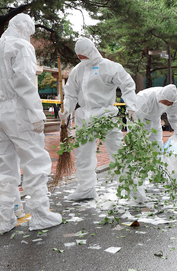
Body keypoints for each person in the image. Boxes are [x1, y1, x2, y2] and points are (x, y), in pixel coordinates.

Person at [0, 13, 62, 234]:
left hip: (1, 111)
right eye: (30, 31)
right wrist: (36, 113)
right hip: (18, 110)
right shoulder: (21, 46)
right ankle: (40, 215)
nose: (30, 35)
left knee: (4, 165)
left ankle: (4, 218)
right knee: (34, 160)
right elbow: (23, 81)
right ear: (24, 27)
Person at [59, 37, 137, 201]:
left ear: (92, 51)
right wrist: (66, 110)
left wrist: (131, 106)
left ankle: (132, 190)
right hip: (84, 118)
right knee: (82, 155)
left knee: (118, 152)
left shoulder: (109, 67)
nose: (81, 59)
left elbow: (127, 84)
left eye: (84, 55)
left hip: (106, 116)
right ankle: (86, 189)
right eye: (79, 56)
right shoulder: (78, 70)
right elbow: (71, 93)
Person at [135, 84, 177, 150]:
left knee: (158, 147)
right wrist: (135, 138)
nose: (167, 105)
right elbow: (136, 119)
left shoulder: (175, 100)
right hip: (141, 120)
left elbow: (174, 116)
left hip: (155, 120)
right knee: (139, 147)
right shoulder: (145, 98)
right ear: (160, 97)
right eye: (165, 102)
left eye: (169, 104)